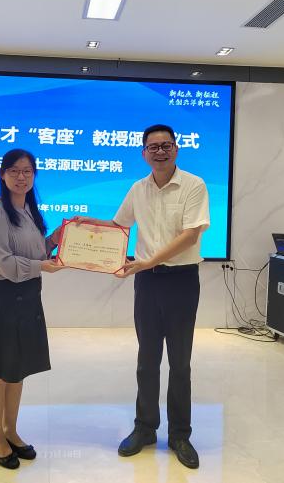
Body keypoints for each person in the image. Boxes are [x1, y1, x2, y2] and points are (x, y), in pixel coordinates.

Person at [84, 124, 209, 469]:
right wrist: (82, 226)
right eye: (153, 147)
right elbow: (118, 226)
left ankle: (180, 434)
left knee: (180, 362)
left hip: (182, 280)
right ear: (144, 153)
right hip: (147, 283)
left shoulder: (194, 185)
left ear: (176, 149)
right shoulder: (138, 189)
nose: (160, 151)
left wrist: (149, 261)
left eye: (166, 145)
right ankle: (145, 428)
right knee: (147, 359)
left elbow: (190, 235)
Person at [0, 148, 64, 470]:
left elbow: (36, 252)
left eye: (27, 171)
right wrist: (42, 266)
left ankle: (11, 431)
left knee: (17, 371)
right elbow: (3, 261)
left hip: (29, 296)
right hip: (3, 298)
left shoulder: (30, 210)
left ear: (34, 175)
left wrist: (57, 239)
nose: (21, 177)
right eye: (14, 171)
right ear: (2, 174)